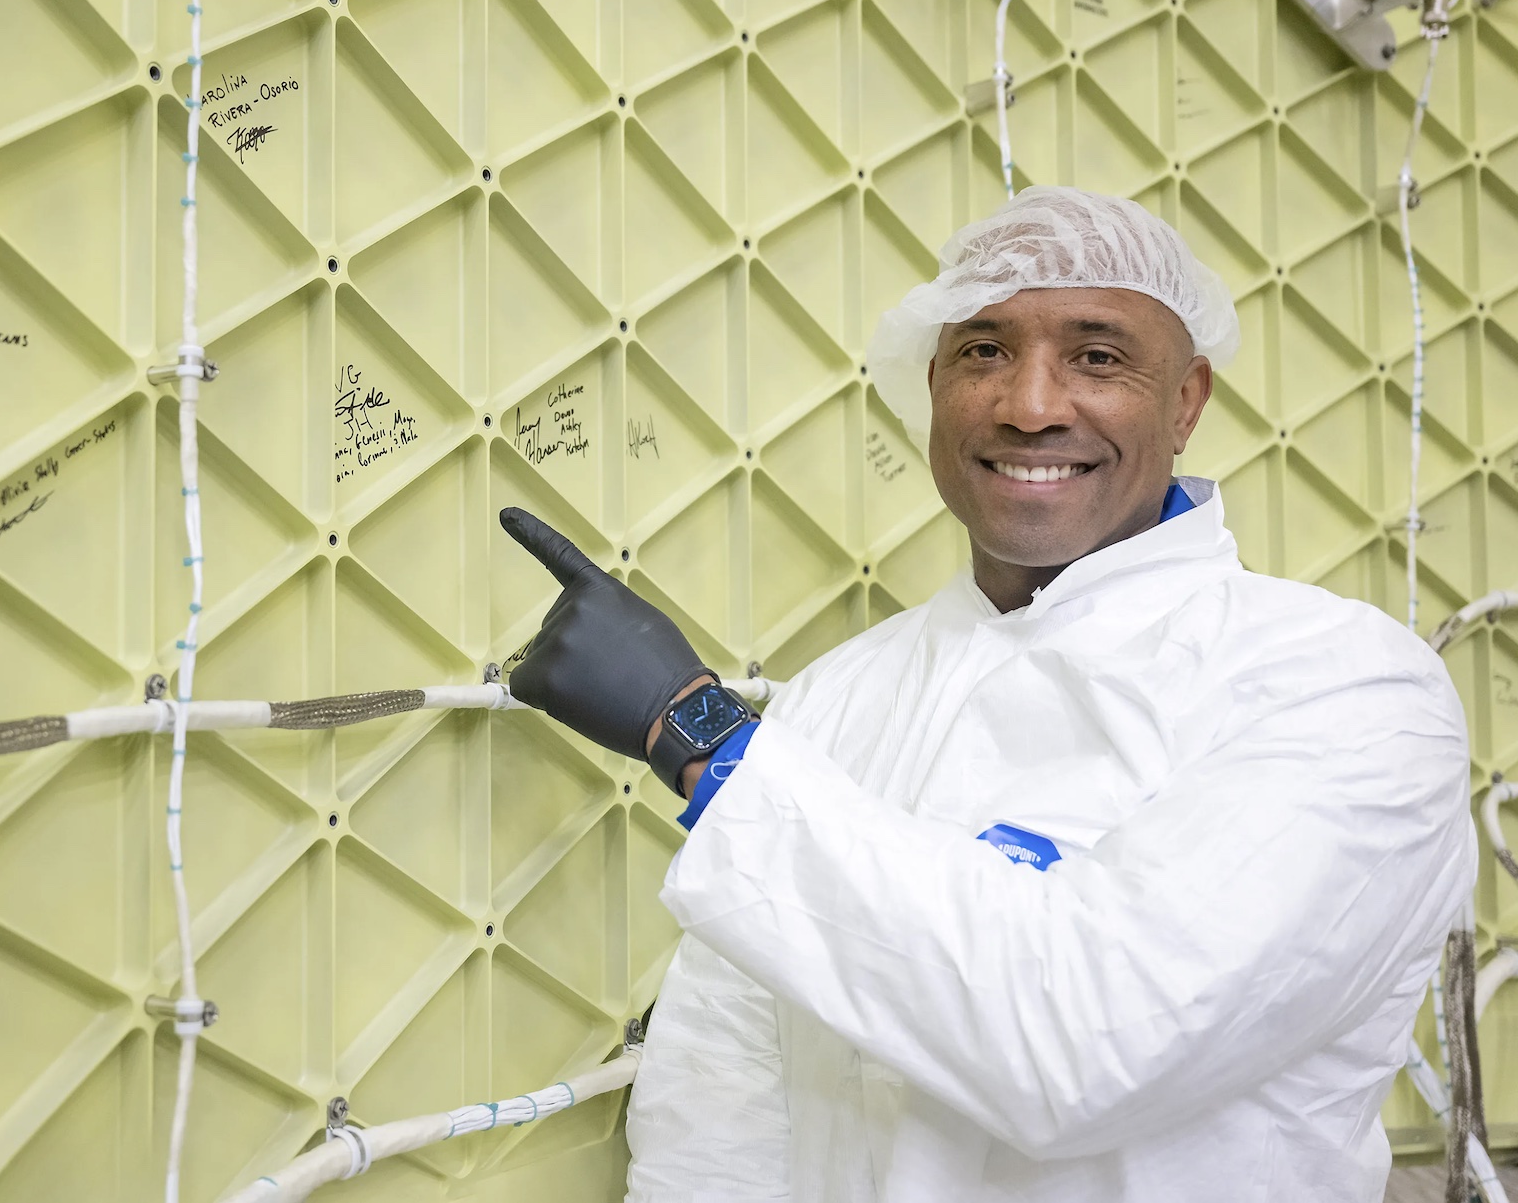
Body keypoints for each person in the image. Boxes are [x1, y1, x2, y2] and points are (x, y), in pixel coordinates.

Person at [499, 187, 1473, 1202]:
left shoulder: (1339, 684)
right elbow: (722, 1093)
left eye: (1096, 356)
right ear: (932, 386)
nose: (1029, 403)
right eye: (982, 351)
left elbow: (1083, 1044)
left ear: (1184, 401)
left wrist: (694, 731)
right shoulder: (838, 698)